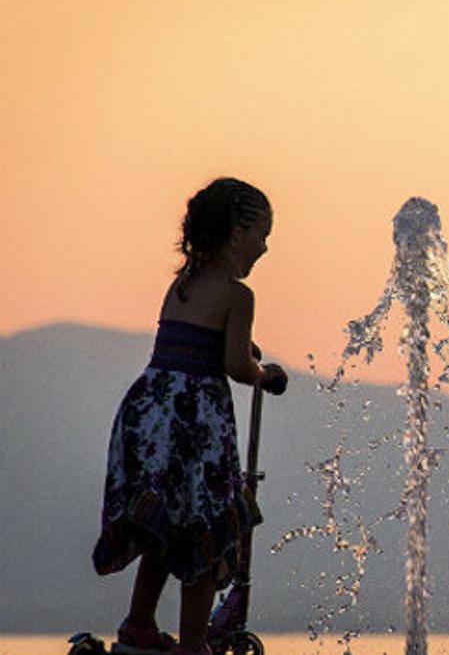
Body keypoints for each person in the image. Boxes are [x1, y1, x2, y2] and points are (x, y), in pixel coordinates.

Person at [92, 177, 288, 655]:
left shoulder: (182, 284)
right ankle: (194, 643)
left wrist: (236, 348)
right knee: (207, 529)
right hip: (196, 422)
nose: (265, 247)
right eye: (262, 233)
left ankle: (138, 624)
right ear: (236, 233)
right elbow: (235, 365)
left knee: (164, 524)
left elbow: (194, 340)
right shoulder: (238, 295)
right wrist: (265, 374)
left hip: (150, 412)